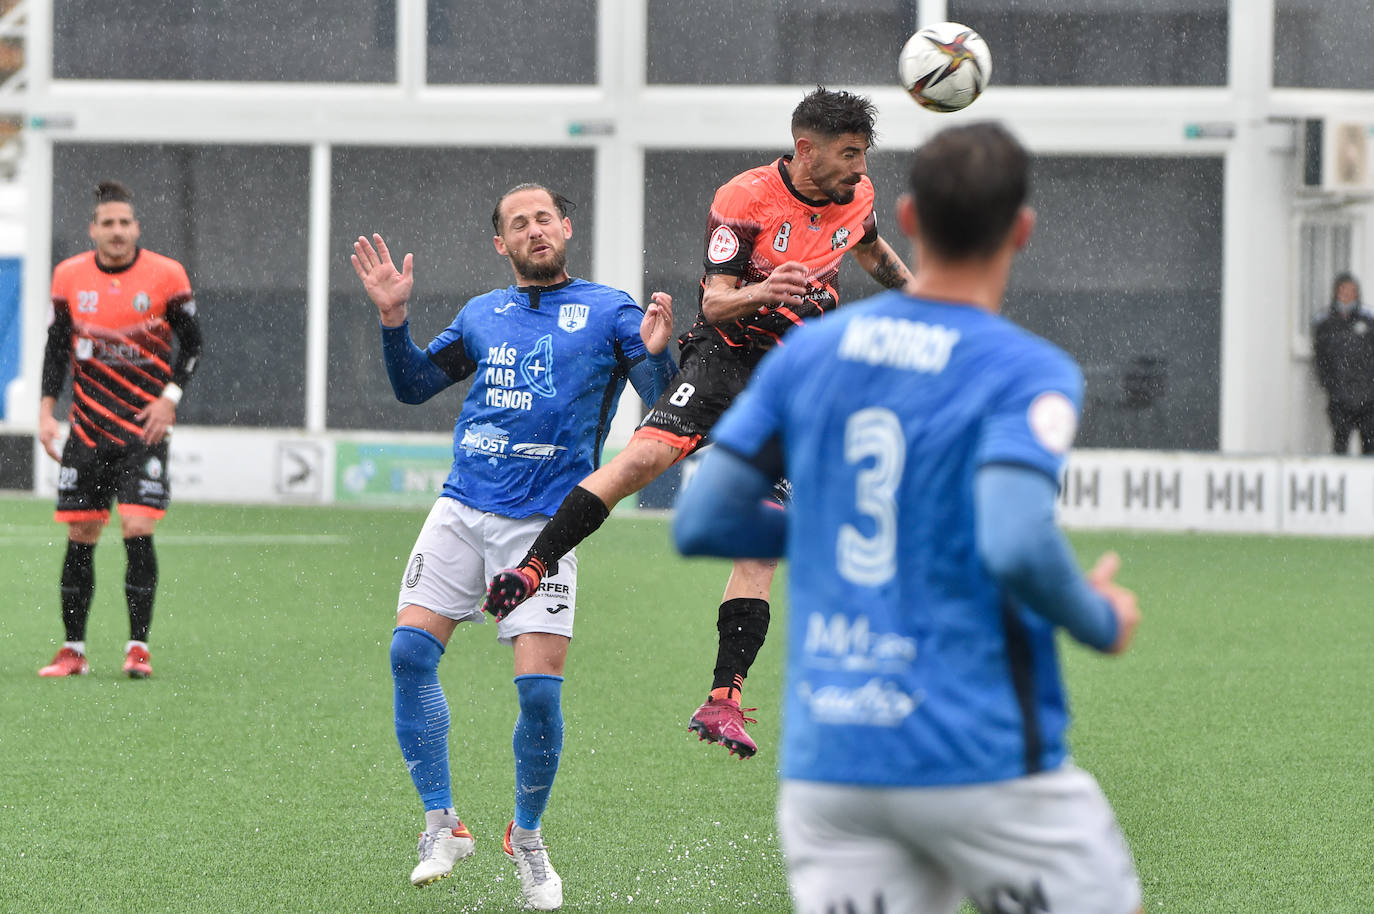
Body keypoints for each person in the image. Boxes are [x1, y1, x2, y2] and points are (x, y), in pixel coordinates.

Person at [673, 122, 1143, 914]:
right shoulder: (1026, 368)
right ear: (1021, 231)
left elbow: (708, 516)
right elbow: (1018, 536)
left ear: (911, 220)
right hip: (975, 754)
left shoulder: (811, 355)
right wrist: (1100, 616)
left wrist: (830, 539)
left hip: (836, 764)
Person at [482, 87, 914, 760]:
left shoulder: (857, 198)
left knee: (764, 539)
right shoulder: (743, 199)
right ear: (807, 149)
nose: (859, 168)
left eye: (863, 154)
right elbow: (715, 305)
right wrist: (764, 291)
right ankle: (534, 567)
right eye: (848, 154)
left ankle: (723, 700)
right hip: (726, 357)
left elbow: (871, 249)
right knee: (642, 461)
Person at [351, 183, 675, 910]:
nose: (533, 229)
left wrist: (655, 356)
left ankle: (526, 838)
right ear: (500, 243)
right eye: (517, 223)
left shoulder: (611, 310)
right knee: (408, 654)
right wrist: (393, 318)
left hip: (546, 522)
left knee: (537, 694)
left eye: (543, 218)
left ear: (565, 227)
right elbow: (412, 387)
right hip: (463, 506)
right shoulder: (480, 314)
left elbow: (664, 399)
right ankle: (442, 822)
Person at [37, 180, 203, 680]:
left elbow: (193, 346)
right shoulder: (68, 277)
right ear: (93, 230)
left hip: (142, 432)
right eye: (107, 223)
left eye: (124, 223)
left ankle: (138, 649)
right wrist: (46, 412)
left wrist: (168, 400)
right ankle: (73, 652)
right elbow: (56, 349)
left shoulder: (165, 275)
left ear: (136, 228)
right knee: (81, 533)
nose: (116, 231)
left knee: (137, 527)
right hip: (86, 432)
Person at [1312, 271, 1374, 454]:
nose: (1347, 295)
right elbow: (1320, 359)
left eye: (1351, 291)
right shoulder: (1325, 322)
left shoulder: (1368, 321)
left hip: (1368, 400)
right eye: (1343, 291)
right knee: (1340, 446)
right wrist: (1331, 386)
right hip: (1340, 398)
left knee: (1369, 447)